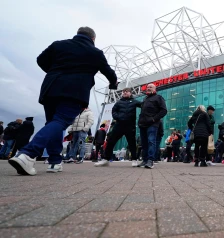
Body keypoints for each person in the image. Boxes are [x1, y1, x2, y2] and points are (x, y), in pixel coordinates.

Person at [9, 27, 117, 175]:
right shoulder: (95, 53)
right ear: (93, 39)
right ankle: (27, 154)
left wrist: (54, 72)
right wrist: (113, 84)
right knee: (60, 122)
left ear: (78, 34)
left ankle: (55, 161)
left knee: (54, 123)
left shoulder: (58, 44)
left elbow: (40, 60)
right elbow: (109, 72)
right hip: (75, 91)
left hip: (51, 88)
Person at [95, 88, 141, 167]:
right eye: (123, 92)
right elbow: (114, 111)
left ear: (130, 93)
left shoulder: (134, 101)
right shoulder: (119, 102)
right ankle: (105, 159)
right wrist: (118, 117)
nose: (124, 93)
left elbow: (143, 105)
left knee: (132, 143)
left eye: (126, 92)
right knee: (111, 141)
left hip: (130, 125)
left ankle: (134, 159)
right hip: (119, 125)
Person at [138, 84, 167, 169]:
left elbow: (164, 111)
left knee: (151, 141)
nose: (148, 88)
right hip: (142, 124)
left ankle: (150, 160)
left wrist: (154, 119)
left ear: (155, 89)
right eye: (147, 87)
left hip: (152, 124)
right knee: (144, 143)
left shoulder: (159, 98)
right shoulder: (145, 99)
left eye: (151, 87)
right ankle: (145, 160)